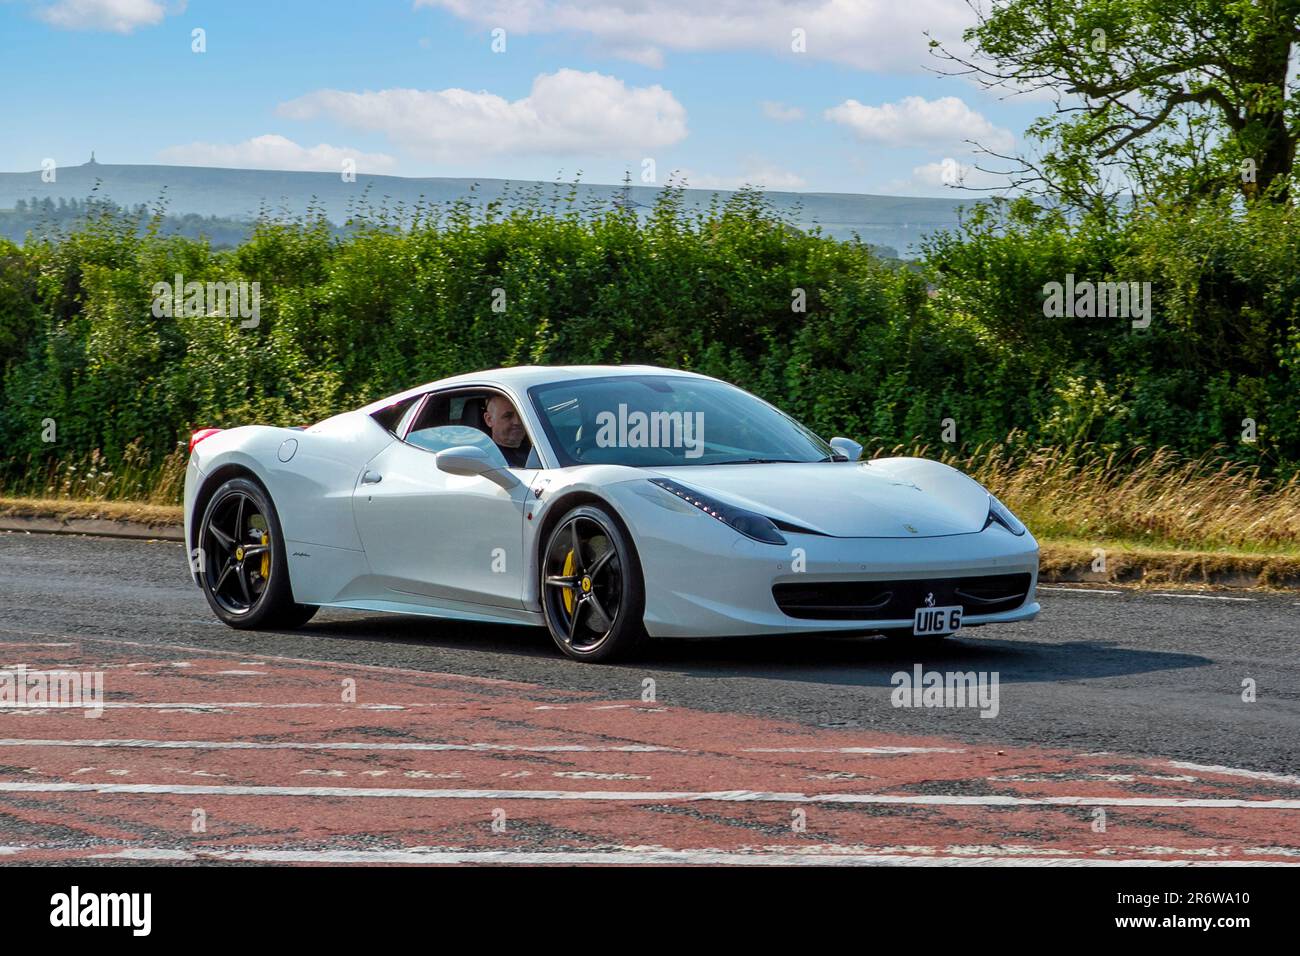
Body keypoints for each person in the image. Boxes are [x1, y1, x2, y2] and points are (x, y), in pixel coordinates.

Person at [482, 395, 532, 468]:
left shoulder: (541, 445)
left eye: (521, 415)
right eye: (507, 416)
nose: (517, 422)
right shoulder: (486, 461)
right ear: (489, 420)